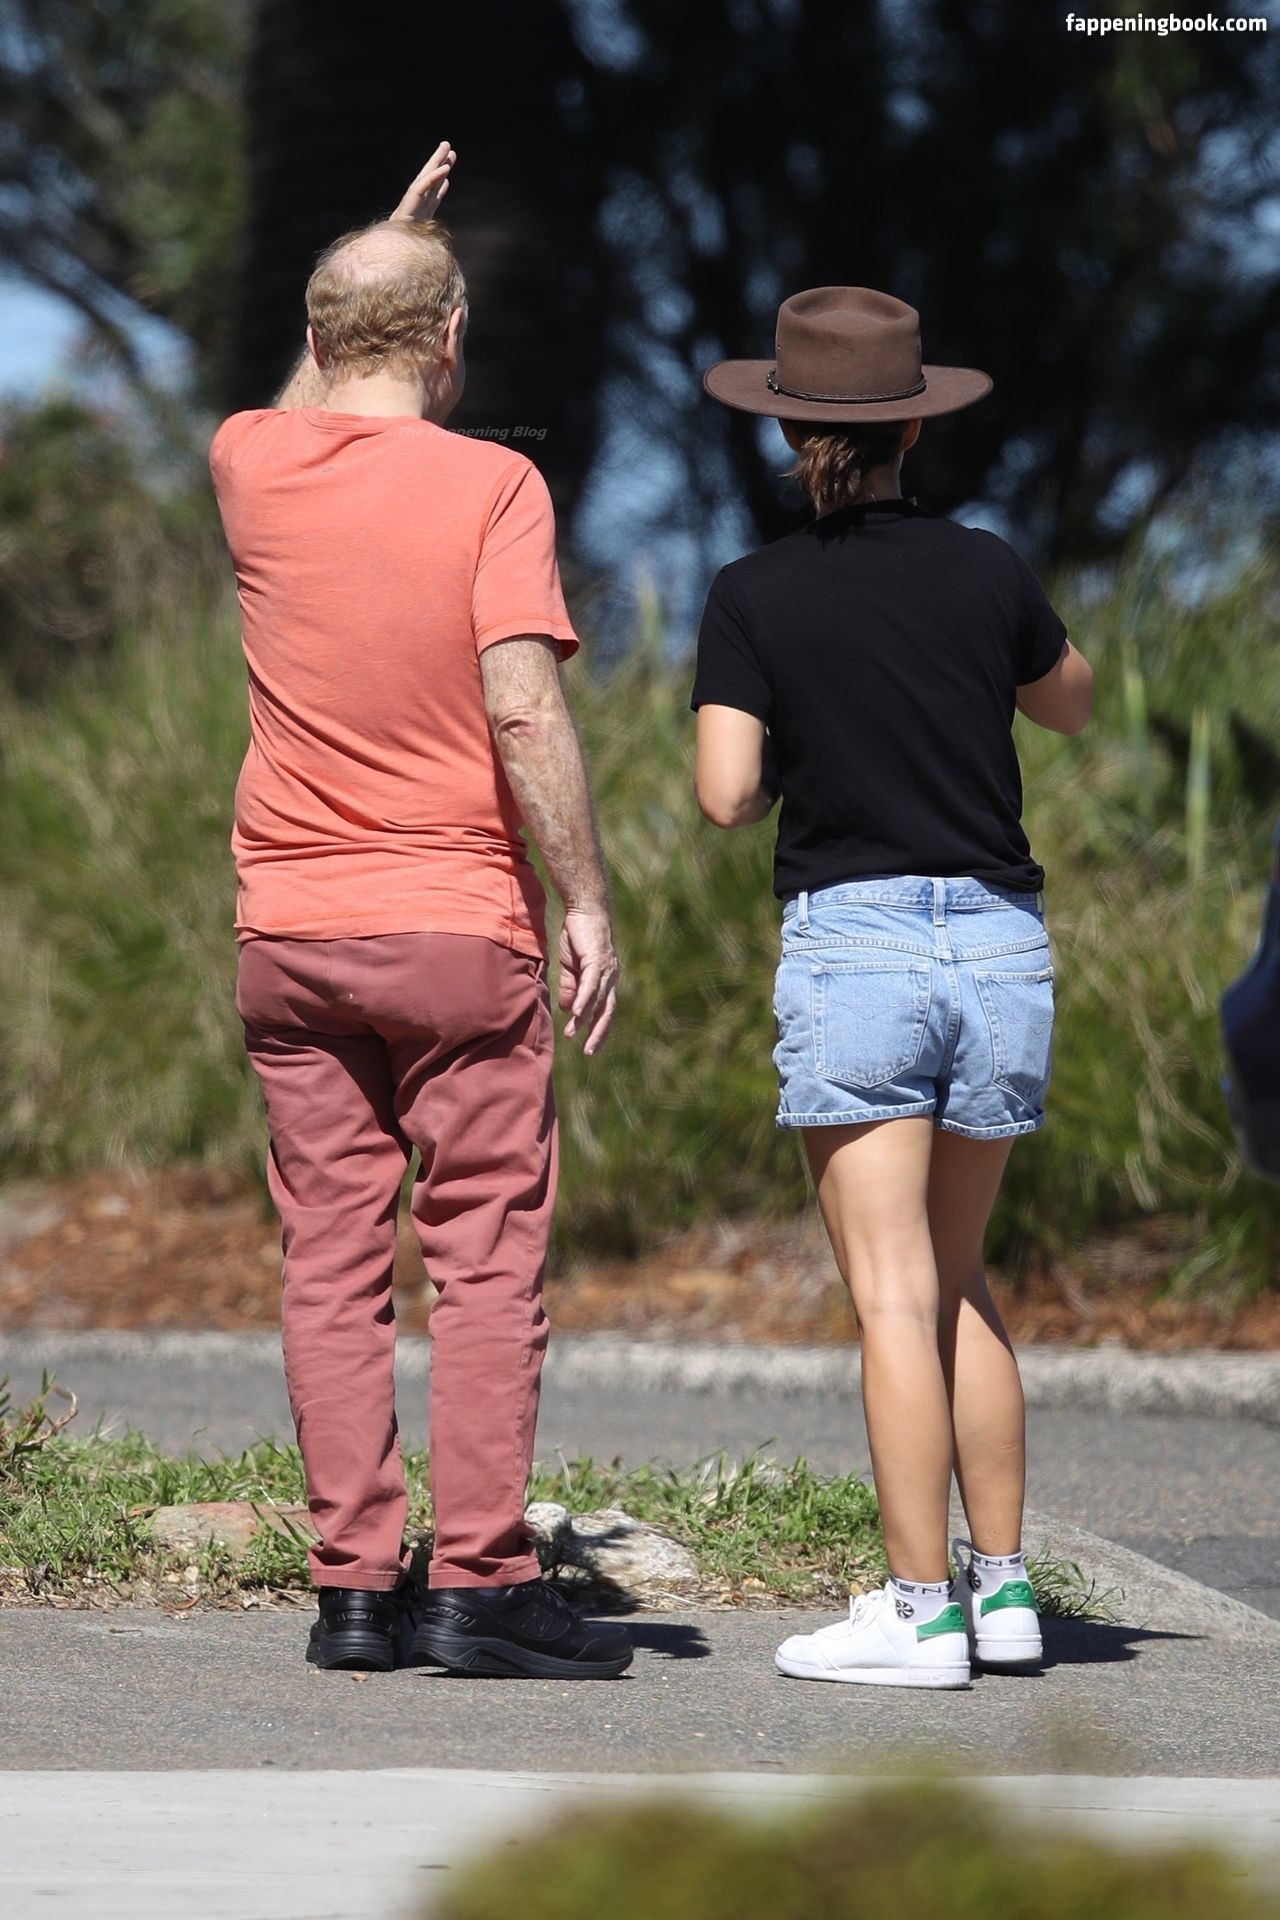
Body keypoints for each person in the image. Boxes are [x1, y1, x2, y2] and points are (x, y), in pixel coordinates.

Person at [209, 143, 630, 1679]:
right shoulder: (494, 484)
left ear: (317, 341)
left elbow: (302, 398)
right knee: (484, 1259)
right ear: (454, 342)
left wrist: (380, 247)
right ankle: (478, 1584)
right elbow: (524, 708)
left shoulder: (251, 462)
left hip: (292, 936)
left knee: (329, 1262)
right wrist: (585, 897)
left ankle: (352, 1594)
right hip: (456, 931)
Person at [692, 286, 1093, 1689]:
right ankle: (1005, 1591)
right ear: (915, 428)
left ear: (788, 429)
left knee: (890, 1292)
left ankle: (919, 1612)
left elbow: (726, 793)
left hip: (857, 945)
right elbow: (1071, 701)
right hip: (996, 941)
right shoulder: (988, 570)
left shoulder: (753, 592)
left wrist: (802, 750)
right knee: (960, 1275)